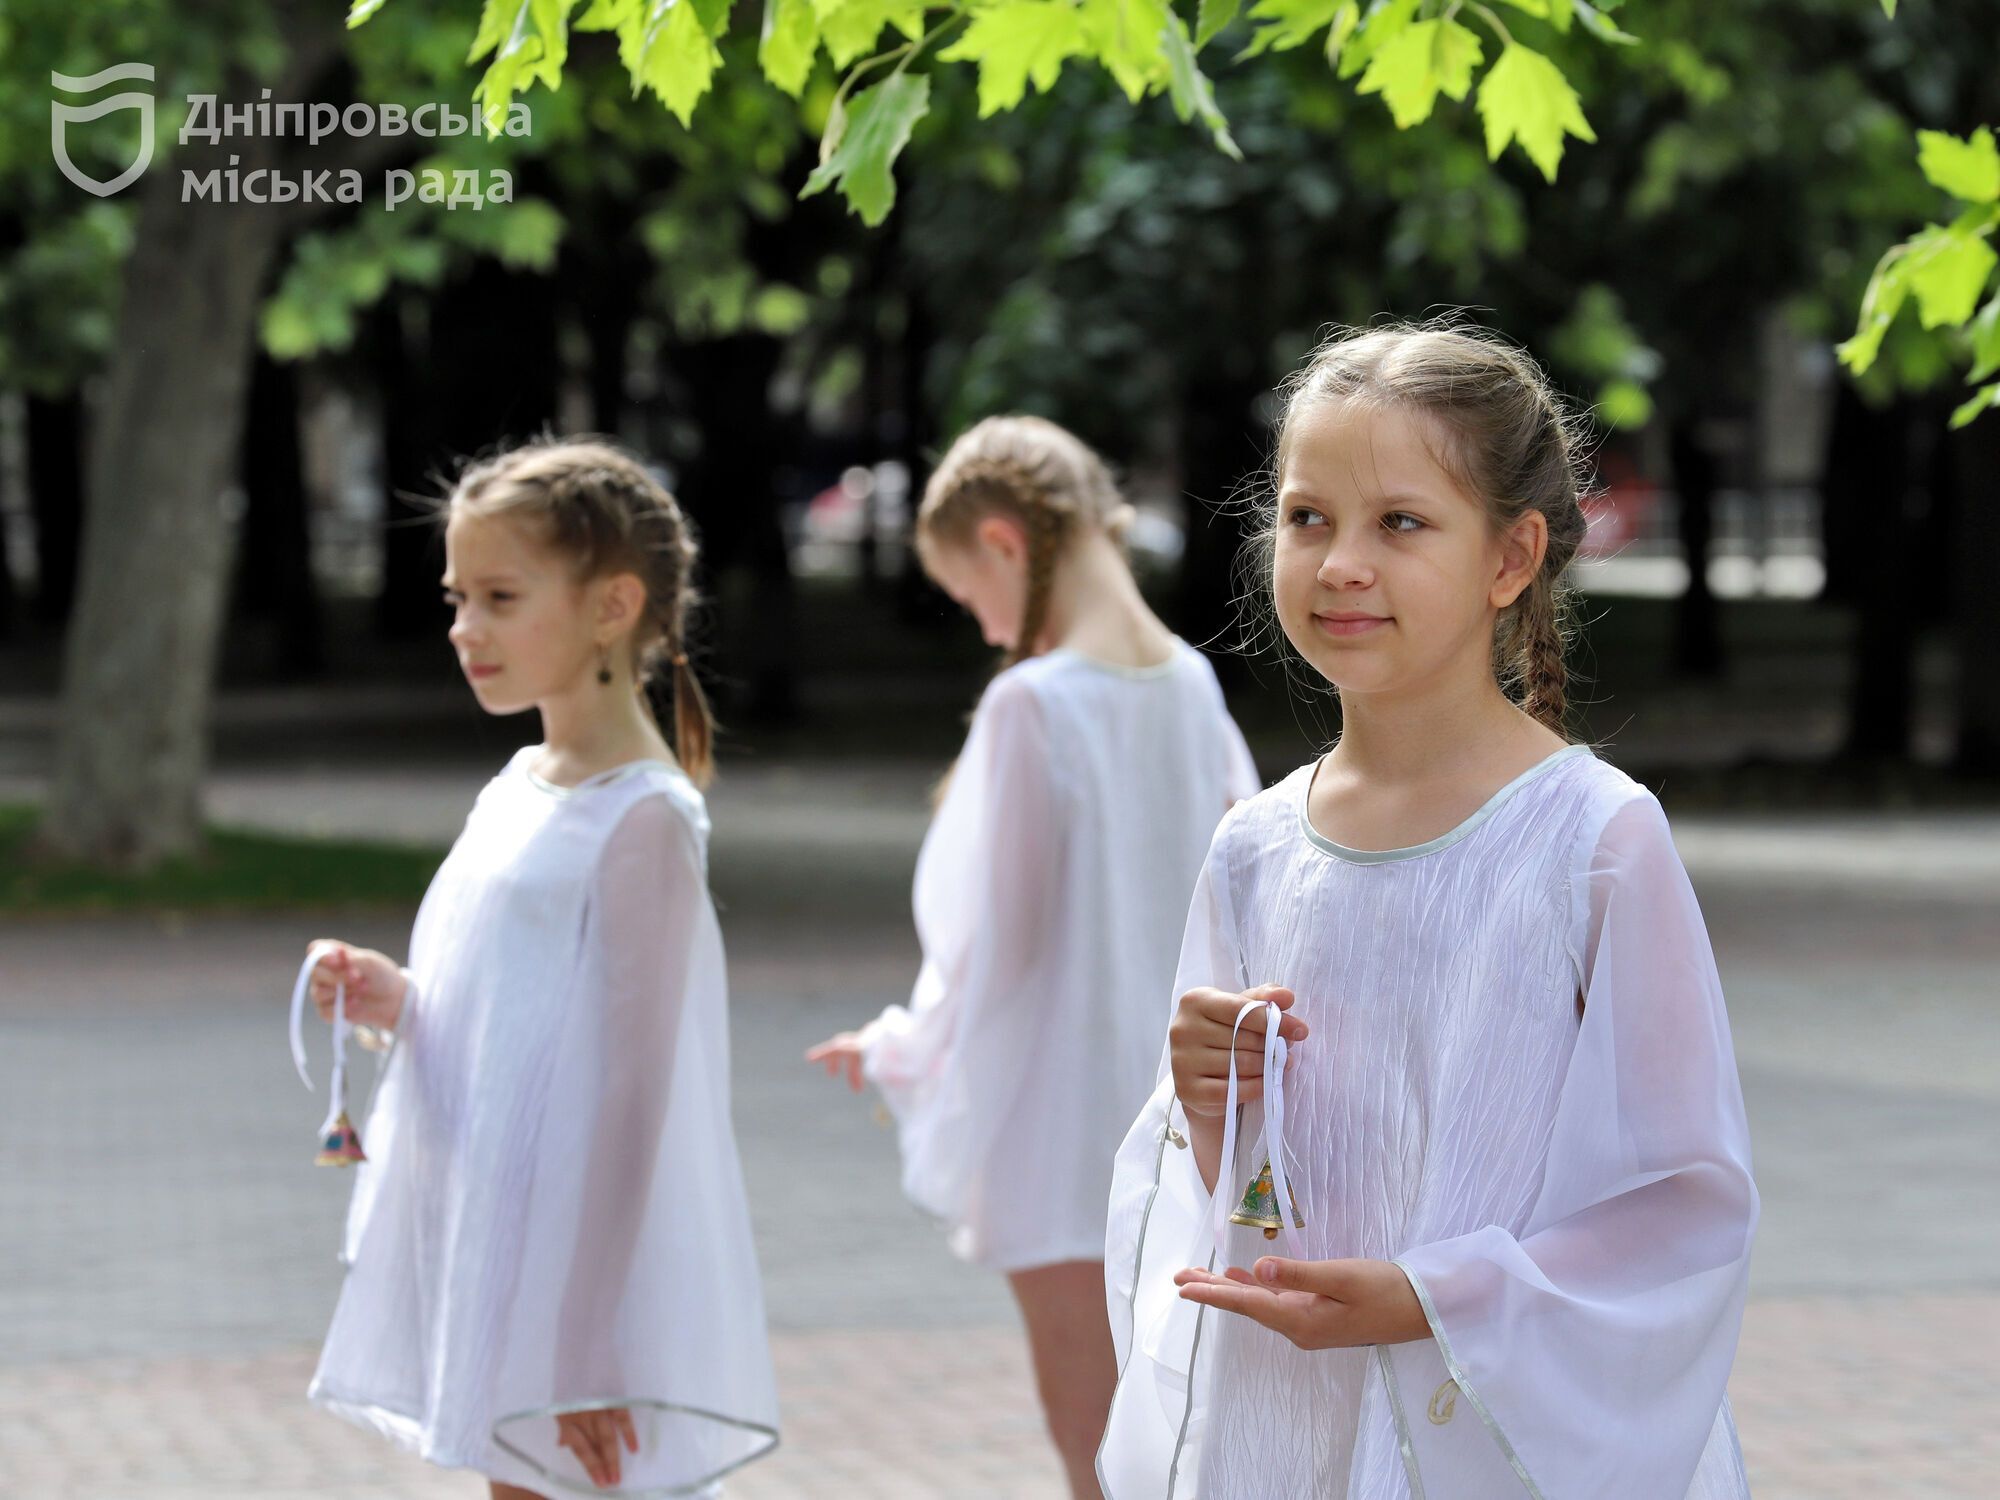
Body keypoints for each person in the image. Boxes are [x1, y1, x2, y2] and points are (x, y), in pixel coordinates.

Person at [1099, 325, 1757, 1499]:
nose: (1340, 562)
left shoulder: (1591, 841)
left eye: (1399, 523)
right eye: (1307, 518)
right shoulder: (1252, 847)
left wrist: (1428, 1297)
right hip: (1285, 1421)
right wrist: (1207, 1097)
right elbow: (1241, 1191)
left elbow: (1680, 1205)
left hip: (1492, 1435)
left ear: (1509, 559)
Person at [297, 438, 778, 1498]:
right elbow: (511, 1006)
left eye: (501, 597)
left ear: (611, 606)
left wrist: (587, 1342)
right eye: (456, 597)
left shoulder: (645, 817)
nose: (466, 629)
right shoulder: (522, 779)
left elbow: (634, 1093)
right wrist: (397, 1000)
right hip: (502, 1227)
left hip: (578, 1276)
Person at [808, 415, 1260, 1497]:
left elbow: (987, 953)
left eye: (967, 594)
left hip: (1062, 1129)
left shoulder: (1030, 704)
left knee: (1092, 1447)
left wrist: (897, 1048)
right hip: (1179, 1121)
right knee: (1181, 1434)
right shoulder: (1193, 685)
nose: (979, 625)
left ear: (1003, 545)